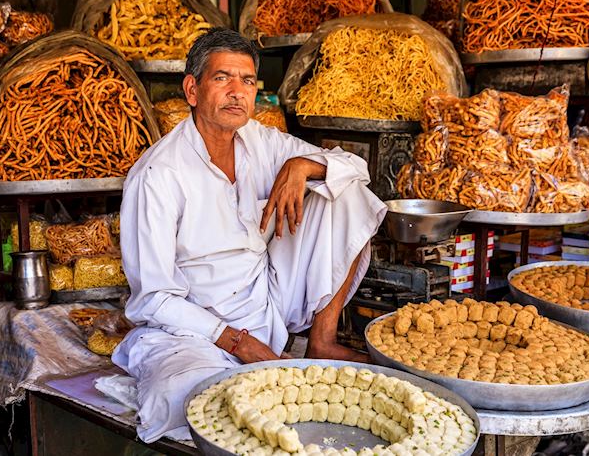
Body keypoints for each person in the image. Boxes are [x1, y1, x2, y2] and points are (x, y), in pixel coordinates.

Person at [114, 28, 387, 443]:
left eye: (247, 81)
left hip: (268, 301)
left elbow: (356, 166)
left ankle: (323, 341)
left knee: (346, 193)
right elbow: (154, 296)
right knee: (190, 399)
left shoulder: (261, 141)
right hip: (193, 326)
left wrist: (300, 166)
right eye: (222, 78)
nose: (237, 92)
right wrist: (236, 341)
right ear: (193, 89)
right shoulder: (158, 174)